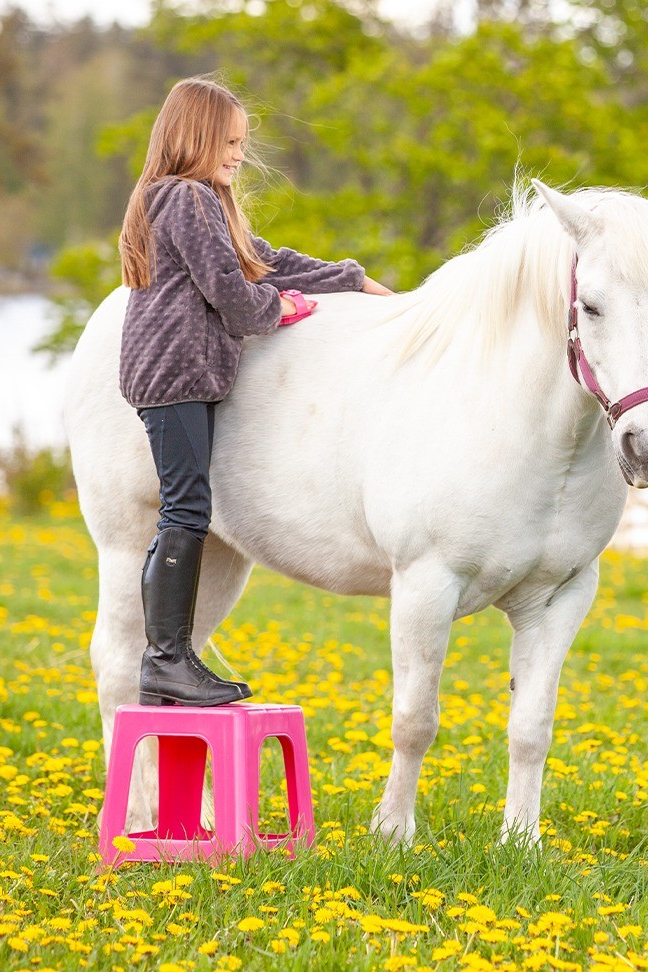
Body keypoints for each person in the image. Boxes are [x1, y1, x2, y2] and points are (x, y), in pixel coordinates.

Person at [118, 76, 393, 707]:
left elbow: (261, 259)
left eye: (242, 142)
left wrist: (351, 280)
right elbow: (235, 295)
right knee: (185, 509)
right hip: (173, 371)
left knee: (188, 505)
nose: (240, 154)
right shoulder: (183, 197)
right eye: (230, 141)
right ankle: (166, 660)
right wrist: (285, 309)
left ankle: (172, 658)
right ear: (195, 135)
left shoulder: (202, 200)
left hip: (186, 370)